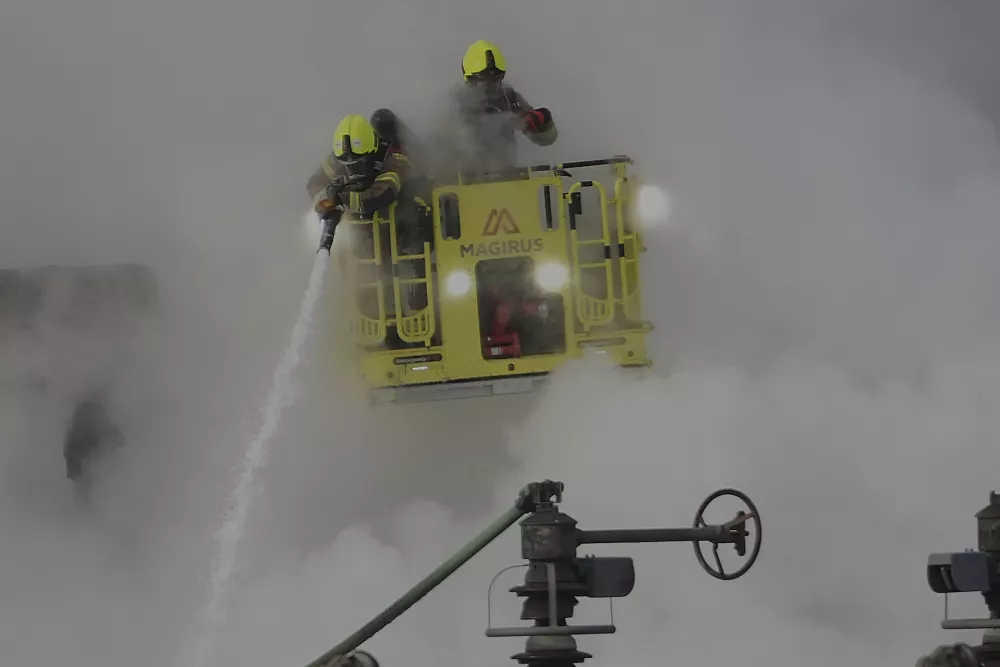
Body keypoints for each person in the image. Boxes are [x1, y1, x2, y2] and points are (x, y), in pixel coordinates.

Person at [441, 39, 558, 173]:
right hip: (463, 180)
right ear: (470, 80)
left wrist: (543, 122)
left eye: (496, 79)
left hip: (507, 177)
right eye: (484, 80)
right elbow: (439, 147)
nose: (491, 86)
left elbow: (546, 139)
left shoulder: (509, 98)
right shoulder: (454, 102)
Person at [306, 111, 413, 253]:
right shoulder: (337, 160)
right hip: (362, 236)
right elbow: (314, 183)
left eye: (358, 163)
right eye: (347, 165)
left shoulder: (394, 158)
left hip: (402, 228)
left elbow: (383, 193)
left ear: (372, 151)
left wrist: (341, 200)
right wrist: (326, 197)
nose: (352, 170)